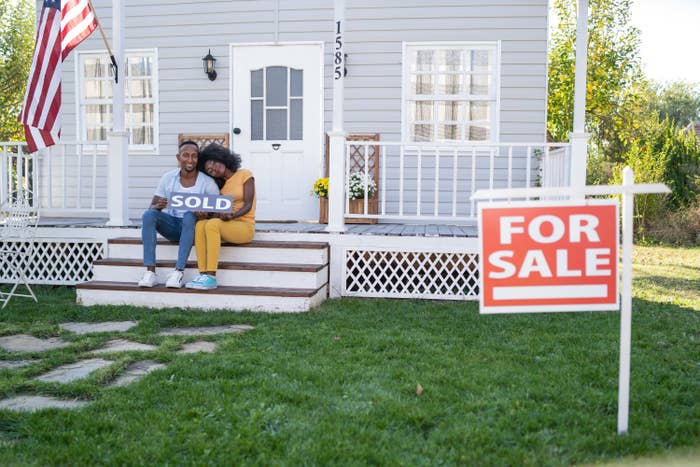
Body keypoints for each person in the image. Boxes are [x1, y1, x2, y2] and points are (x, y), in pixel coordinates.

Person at [138, 140, 219, 288]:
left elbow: (217, 214)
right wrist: (158, 206)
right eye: (185, 155)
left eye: (194, 156)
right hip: (172, 225)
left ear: (197, 158)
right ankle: (150, 272)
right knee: (148, 215)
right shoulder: (168, 178)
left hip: (192, 228)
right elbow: (152, 206)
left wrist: (205, 215)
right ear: (178, 157)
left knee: (189, 215)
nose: (190, 160)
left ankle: (178, 272)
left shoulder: (208, 183)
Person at [185, 144, 256, 290]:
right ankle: (203, 275)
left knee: (212, 225)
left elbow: (248, 204)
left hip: (245, 226)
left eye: (213, 162)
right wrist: (205, 213)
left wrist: (232, 216)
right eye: (209, 170)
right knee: (200, 224)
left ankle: (211, 276)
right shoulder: (220, 189)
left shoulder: (245, 174)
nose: (214, 168)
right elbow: (217, 213)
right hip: (228, 226)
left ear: (220, 157)